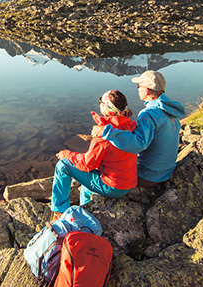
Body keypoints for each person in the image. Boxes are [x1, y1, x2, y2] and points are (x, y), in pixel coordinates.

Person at [50, 89, 138, 221]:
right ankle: (85, 211)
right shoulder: (130, 125)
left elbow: (87, 165)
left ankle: (59, 212)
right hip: (129, 183)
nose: (99, 103)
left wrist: (67, 154)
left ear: (107, 108)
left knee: (63, 166)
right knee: (86, 189)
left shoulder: (103, 136)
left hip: (113, 187)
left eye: (101, 101)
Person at [92, 71, 185, 188]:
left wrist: (106, 131)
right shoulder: (171, 110)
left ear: (146, 91)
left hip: (148, 176)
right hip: (165, 172)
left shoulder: (149, 114)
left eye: (138, 86)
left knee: (102, 169)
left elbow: (138, 144)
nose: (137, 89)